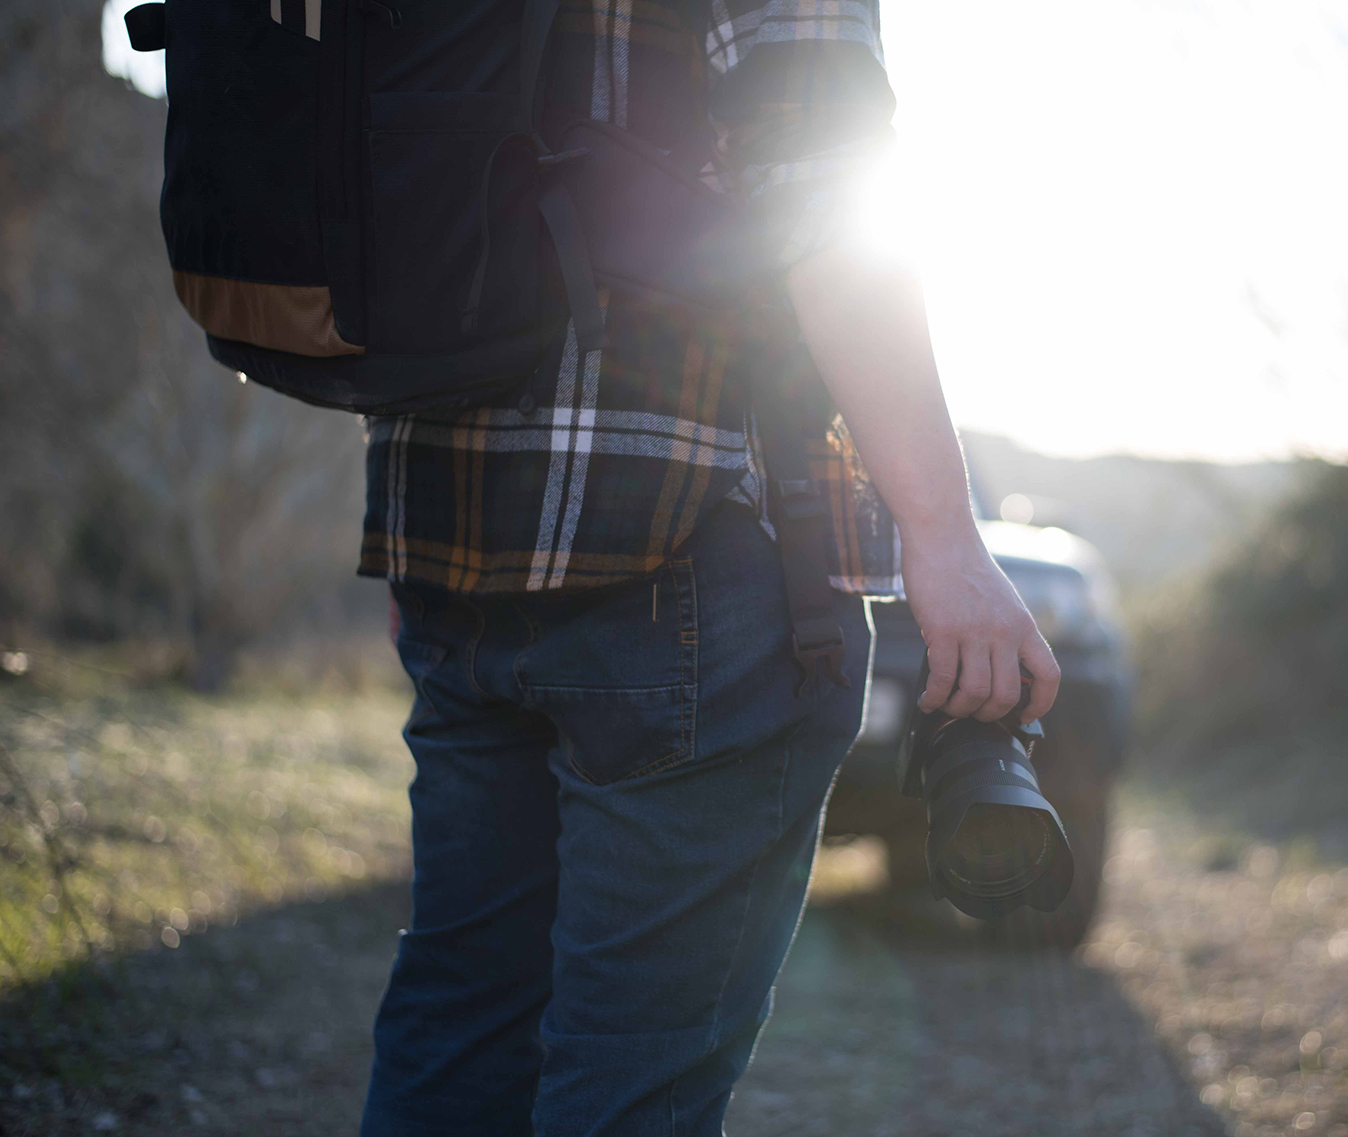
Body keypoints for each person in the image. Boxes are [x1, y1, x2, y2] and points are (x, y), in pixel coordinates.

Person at [357, 2, 1059, 1134]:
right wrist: (942, 533)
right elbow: (824, 193)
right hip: (690, 552)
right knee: (631, 1079)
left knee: (456, 1031)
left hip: (453, 538)